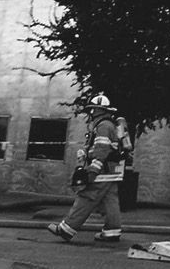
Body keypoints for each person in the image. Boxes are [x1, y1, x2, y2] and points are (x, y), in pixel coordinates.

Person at [47, 94, 127, 243]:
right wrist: (85, 153)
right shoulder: (109, 125)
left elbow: (102, 150)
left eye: (93, 109)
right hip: (112, 171)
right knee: (110, 201)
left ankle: (67, 228)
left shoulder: (103, 126)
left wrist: (92, 171)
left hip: (102, 171)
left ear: (98, 110)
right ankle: (112, 232)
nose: (91, 113)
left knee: (86, 196)